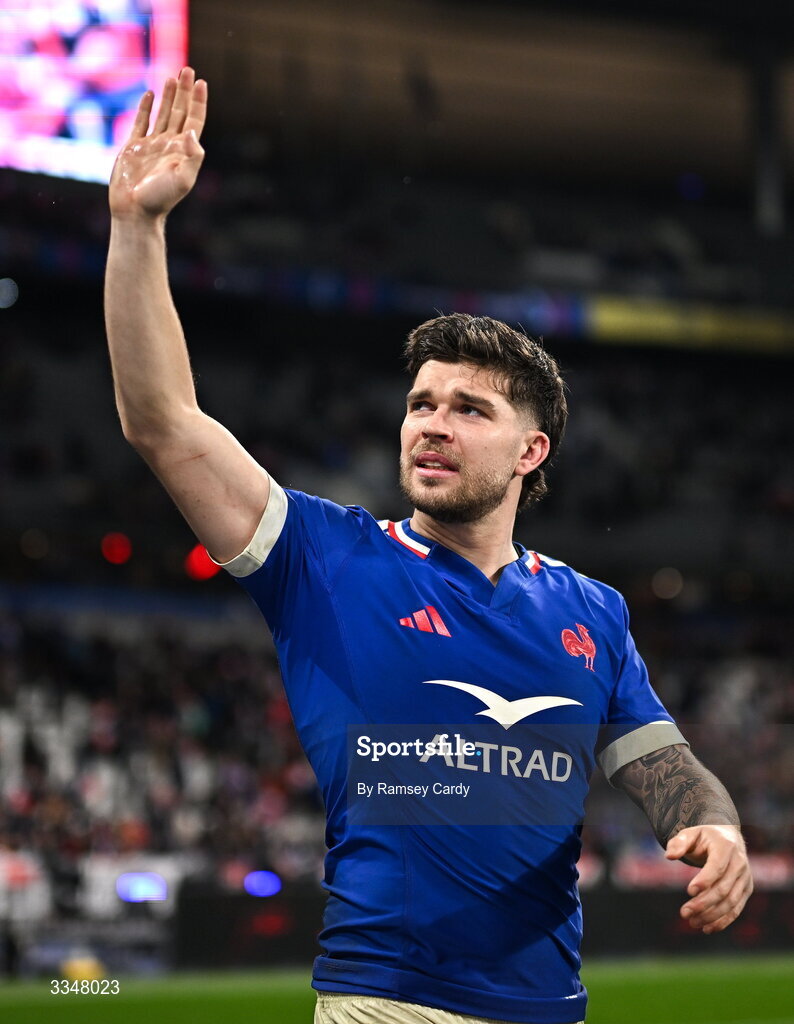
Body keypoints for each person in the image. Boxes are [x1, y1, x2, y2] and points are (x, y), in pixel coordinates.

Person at [104, 67, 753, 1024]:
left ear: (531, 452)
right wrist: (138, 227)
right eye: (420, 403)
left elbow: (662, 766)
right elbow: (162, 421)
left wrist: (714, 827)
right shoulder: (324, 558)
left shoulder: (594, 611)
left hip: (551, 1006)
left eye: (468, 409)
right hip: (389, 1002)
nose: (431, 424)